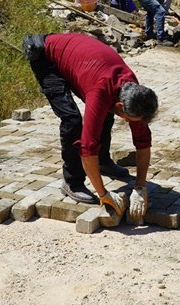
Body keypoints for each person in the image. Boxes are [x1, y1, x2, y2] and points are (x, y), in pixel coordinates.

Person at [22, 32, 158, 222]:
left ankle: (103, 163)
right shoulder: (100, 91)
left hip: (82, 60)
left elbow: (143, 140)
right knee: (72, 121)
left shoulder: (132, 90)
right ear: (121, 106)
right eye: (128, 119)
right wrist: (103, 194)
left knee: (105, 115)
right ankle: (72, 182)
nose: (129, 123)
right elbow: (87, 148)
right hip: (45, 56)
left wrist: (140, 186)